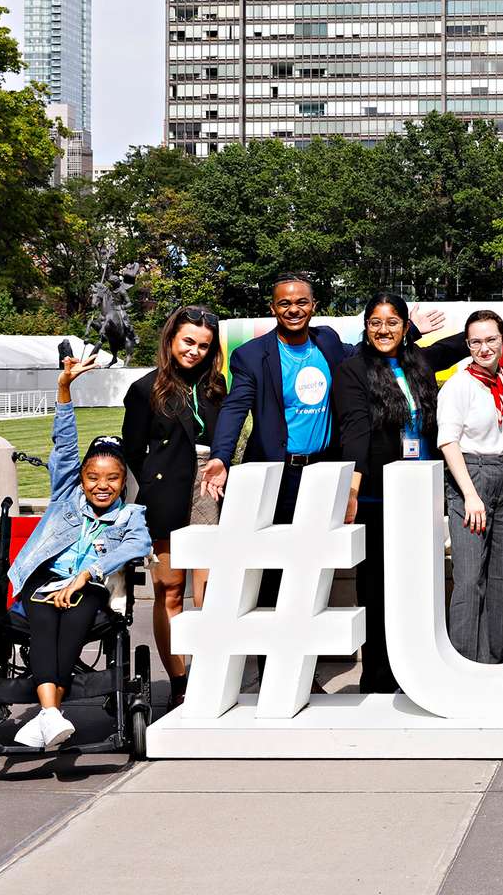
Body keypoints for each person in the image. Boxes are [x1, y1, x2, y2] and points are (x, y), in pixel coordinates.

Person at [8, 356, 152, 749]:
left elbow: (139, 545)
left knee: (73, 622)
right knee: (43, 623)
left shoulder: (130, 515)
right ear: (82, 480)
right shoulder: (66, 498)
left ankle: (47, 715)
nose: (101, 485)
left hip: (88, 584)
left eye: (112, 478)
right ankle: (51, 714)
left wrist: (87, 575)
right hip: (44, 577)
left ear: (123, 481)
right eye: (93, 477)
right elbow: (66, 447)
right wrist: (64, 390)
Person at [331, 292, 468, 691]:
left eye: (393, 322)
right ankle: (379, 675)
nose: (384, 329)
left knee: (419, 585)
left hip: (422, 498)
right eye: (376, 322)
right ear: (365, 326)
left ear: (406, 327)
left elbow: (462, 341)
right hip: (378, 496)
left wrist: (485, 323)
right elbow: (354, 430)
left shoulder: (418, 362)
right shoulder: (352, 370)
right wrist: (352, 490)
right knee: (377, 587)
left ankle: (419, 670)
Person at [205, 275, 358, 624]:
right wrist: (220, 456)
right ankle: (268, 673)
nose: (294, 309)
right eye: (285, 303)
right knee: (273, 576)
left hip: (323, 474)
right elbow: (234, 407)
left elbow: (366, 353)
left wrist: (411, 331)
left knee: (314, 572)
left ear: (313, 306)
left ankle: (306, 671)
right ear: (273, 308)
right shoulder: (252, 356)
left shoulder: (329, 342)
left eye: (301, 302)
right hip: (280, 477)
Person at [120, 305, 225, 709]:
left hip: (209, 488)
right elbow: (133, 451)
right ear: (170, 340)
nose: (194, 351)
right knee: (170, 589)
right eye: (188, 341)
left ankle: (210, 670)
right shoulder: (146, 389)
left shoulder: (217, 388)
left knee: (210, 587)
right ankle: (179, 678)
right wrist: (158, 479)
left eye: (203, 345)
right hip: (165, 490)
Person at [437, 310, 503, 664]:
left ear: (502, 340)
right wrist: (470, 496)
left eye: (490, 340)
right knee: (470, 577)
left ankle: (501, 659)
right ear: (467, 344)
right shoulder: (459, 385)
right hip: (470, 477)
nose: (484, 347)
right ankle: (463, 661)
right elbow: (449, 443)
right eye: (475, 341)